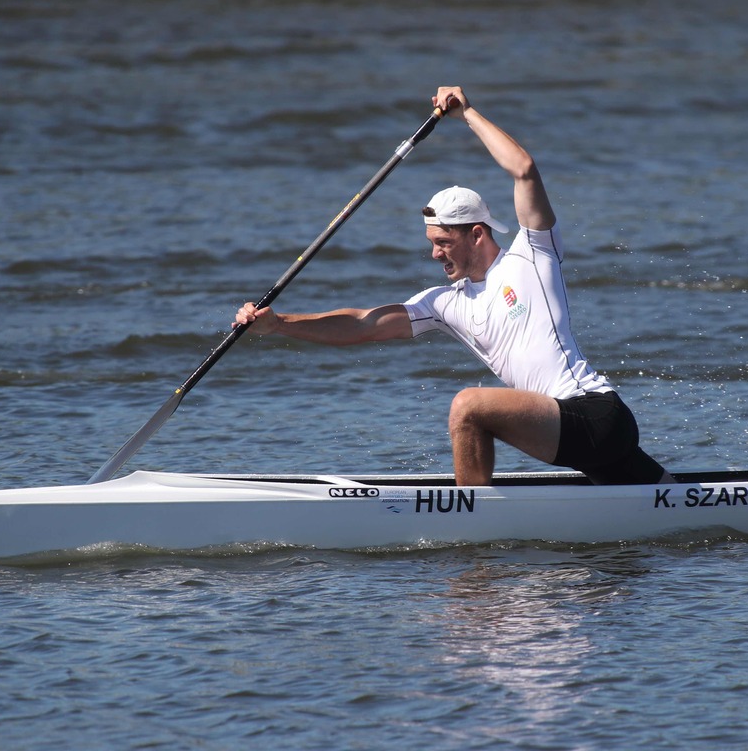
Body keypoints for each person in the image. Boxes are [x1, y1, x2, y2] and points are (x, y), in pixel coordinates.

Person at [234, 86, 673, 487]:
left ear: (477, 234)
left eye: (443, 242)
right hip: (569, 433)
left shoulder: (532, 255)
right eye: (431, 244)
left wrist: (468, 114)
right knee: (667, 500)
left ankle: (470, 523)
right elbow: (363, 326)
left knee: (468, 406)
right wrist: (279, 324)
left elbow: (524, 170)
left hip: (596, 415)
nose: (434, 254)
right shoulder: (445, 304)